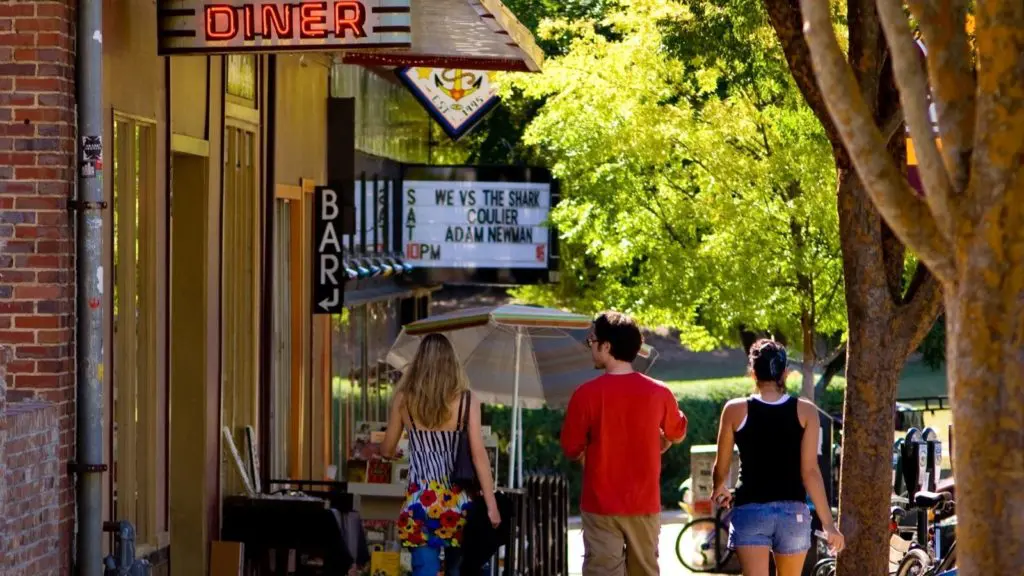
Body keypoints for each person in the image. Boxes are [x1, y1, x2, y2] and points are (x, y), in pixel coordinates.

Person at [561, 311, 688, 576]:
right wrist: (662, 441)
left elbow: (571, 449)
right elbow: (677, 433)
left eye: (591, 340)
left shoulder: (585, 395)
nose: (590, 346)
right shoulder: (659, 392)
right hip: (644, 504)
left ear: (606, 346)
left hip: (600, 505)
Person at [711, 339, 845, 576]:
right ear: (785, 373)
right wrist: (829, 524)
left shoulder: (734, 410)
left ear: (753, 373)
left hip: (750, 510)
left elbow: (720, 467)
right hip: (793, 513)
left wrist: (719, 486)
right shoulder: (806, 411)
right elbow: (810, 472)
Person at [381, 333, 501, 576]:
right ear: (452, 362)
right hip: (459, 501)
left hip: (420, 500)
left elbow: (387, 449)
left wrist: (393, 454)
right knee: (460, 569)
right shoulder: (468, 401)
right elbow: (479, 456)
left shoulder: (404, 400)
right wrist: (491, 506)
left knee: (424, 569)